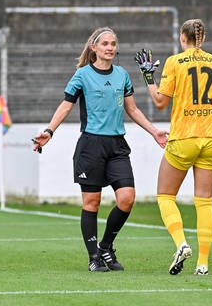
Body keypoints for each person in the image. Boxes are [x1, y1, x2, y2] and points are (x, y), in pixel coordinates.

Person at [32, 27, 168, 272]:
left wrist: (154, 131)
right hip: (91, 146)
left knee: (127, 199)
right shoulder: (82, 75)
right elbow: (65, 106)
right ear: (94, 48)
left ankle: (105, 246)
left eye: (113, 44)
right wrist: (49, 132)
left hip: (117, 146)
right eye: (105, 43)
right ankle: (94, 257)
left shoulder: (122, 75)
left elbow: (133, 110)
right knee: (92, 203)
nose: (110, 47)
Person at [135, 19, 212, 275]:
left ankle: (181, 244)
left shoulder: (174, 62)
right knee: (204, 202)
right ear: (202, 38)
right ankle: (202, 264)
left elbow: (160, 102)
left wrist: (148, 76)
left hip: (184, 138)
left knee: (165, 196)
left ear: (183, 38)